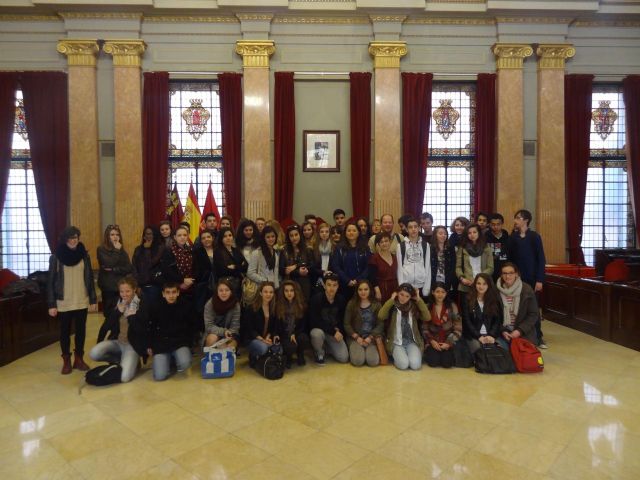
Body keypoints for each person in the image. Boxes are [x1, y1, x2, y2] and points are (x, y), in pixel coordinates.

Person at [47, 226, 98, 374]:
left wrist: (93, 299)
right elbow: (51, 282)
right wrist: (51, 304)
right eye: (71, 237)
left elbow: (89, 278)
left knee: (81, 331)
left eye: (76, 237)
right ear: (65, 239)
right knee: (64, 332)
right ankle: (66, 361)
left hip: (81, 299)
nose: (74, 240)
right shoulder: (56, 257)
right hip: (63, 301)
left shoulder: (84, 255)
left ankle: (79, 359)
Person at [89, 276, 147, 383]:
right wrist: (117, 312)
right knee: (94, 353)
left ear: (134, 289)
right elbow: (106, 326)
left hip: (132, 345)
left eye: (127, 291)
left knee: (124, 378)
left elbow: (143, 330)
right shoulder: (117, 302)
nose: (124, 295)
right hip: (118, 342)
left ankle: (133, 361)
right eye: (122, 291)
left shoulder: (142, 304)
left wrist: (132, 316)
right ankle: (120, 360)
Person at [508, 209, 547, 348]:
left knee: (533, 308)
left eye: (518, 218)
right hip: (517, 279)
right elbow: (510, 258)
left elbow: (541, 258)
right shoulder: (513, 237)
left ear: (526, 220)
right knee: (517, 307)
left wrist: (540, 279)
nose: (516, 220)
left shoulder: (534, 236)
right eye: (515, 218)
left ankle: (538, 336)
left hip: (532, 278)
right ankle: (521, 333)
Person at [146, 283, 193, 381]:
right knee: (160, 376)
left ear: (178, 293)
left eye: (173, 292)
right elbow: (151, 327)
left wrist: (188, 342)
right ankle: (169, 361)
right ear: (163, 294)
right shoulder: (155, 307)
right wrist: (150, 344)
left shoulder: (185, 305)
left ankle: (175, 359)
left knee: (185, 364)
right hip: (161, 344)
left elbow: (191, 326)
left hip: (179, 343)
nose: (171, 295)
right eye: (168, 293)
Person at [379, 283, 429, 370]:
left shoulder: (413, 306)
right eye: (401, 294)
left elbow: (427, 317)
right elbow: (381, 316)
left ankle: (406, 354)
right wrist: (391, 299)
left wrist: (419, 300)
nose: (403, 298)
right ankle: (398, 356)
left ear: (410, 297)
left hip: (411, 342)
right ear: (397, 293)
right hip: (396, 342)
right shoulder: (393, 306)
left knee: (415, 365)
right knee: (403, 365)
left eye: (407, 296)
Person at [97, 224, 133, 342]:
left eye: (117, 235)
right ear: (107, 236)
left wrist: (114, 270)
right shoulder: (101, 249)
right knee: (109, 316)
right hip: (108, 288)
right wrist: (117, 251)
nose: (115, 237)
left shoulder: (121, 250)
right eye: (112, 235)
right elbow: (109, 263)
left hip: (120, 289)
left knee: (119, 316)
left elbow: (128, 267)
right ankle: (101, 341)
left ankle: (113, 339)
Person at [309, 273, 348, 365]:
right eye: (329, 285)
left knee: (344, 358)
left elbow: (343, 319)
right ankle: (319, 352)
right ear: (324, 285)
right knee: (316, 334)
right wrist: (333, 331)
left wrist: (339, 329)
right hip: (321, 330)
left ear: (338, 286)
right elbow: (314, 321)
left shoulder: (341, 300)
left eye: (334, 285)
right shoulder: (316, 299)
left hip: (333, 332)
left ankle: (326, 347)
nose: (332, 288)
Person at [496, 263, 539, 347]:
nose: (507, 276)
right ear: (501, 275)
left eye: (511, 273)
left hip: (524, 332)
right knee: (500, 355)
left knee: (522, 356)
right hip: (503, 332)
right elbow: (494, 315)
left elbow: (533, 314)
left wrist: (519, 331)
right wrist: (503, 330)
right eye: (504, 273)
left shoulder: (527, 290)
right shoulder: (496, 291)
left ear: (516, 274)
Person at [344, 280, 383, 367]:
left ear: (370, 290)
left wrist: (370, 337)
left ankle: (366, 351)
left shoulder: (376, 304)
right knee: (358, 361)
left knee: (373, 361)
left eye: (366, 289)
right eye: (360, 289)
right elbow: (346, 324)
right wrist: (356, 337)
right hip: (355, 338)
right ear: (357, 291)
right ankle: (356, 350)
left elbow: (380, 324)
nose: (363, 292)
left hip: (371, 338)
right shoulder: (351, 304)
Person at [462, 273, 502, 354]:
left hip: (490, 334)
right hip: (473, 335)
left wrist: (491, 335)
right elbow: (467, 322)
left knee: (498, 351)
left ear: (489, 285)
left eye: (484, 284)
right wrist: (478, 336)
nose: (481, 286)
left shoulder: (495, 299)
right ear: (475, 284)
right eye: (478, 283)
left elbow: (497, 321)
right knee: (479, 351)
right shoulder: (467, 299)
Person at [423, 282, 461, 368]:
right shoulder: (427, 307)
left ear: (446, 293)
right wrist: (432, 341)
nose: (440, 294)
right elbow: (424, 328)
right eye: (437, 291)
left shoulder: (452, 306)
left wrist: (448, 342)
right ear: (432, 292)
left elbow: (458, 327)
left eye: (443, 292)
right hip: (433, 341)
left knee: (447, 364)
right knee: (433, 362)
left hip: (448, 340)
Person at [330, 221, 371, 299]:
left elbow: (368, 266)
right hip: (344, 284)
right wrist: (347, 280)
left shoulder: (365, 248)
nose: (351, 233)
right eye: (348, 231)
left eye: (354, 230)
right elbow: (336, 266)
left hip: (361, 285)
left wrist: (358, 280)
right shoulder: (339, 248)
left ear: (358, 233)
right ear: (345, 233)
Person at [455, 224, 494, 306]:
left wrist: (479, 279)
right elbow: (458, 267)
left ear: (479, 233)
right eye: (469, 233)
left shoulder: (486, 248)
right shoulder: (462, 248)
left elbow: (490, 267)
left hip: (483, 285)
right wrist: (462, 279)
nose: (472, 235)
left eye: (474, 232)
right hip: (466, 286)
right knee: (466, 313)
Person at [275, 280, 310, 367]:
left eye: (291, 290)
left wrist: (295, 333)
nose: (289, 293)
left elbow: (303, 326)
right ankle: (288, 356)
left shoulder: (301, 305)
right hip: (285, 334)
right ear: (283, 292)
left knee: (304, 339)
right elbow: (276, 325)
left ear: (295, 292)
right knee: (290, 347)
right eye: (286, 291)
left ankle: (300, 353)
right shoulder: (278, 305)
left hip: (297, 333)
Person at [396, 217, 432, 299]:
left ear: (419, 228)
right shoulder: (400, 246)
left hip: (421, 285)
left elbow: (427, 267)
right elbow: (399, 269)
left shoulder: (425, 245)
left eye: (415, 227)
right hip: (406, 286)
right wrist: (401, 287)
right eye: (410, 227)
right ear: (406, 229)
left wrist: (426, 288)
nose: (413, 229)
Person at [246, 281, 279, 367]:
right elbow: (249, 329)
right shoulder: (252, 307)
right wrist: (262, 340)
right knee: (263, 348)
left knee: (279, 349)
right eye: (265, 292)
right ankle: (253, 355)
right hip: (253, 338)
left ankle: (262, 358)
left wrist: (268, 337)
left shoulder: (274, 308)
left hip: (266, 338)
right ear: (260, 293)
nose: (268, 294)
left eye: (271, 292)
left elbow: (273, 327)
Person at [280, 224, 316, 301]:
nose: (294, 238)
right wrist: (297, 272)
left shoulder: (307, 249)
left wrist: (296, 266)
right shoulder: (284, 250)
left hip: (304, 283)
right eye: (291, 236)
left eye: (296, 235)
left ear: (300, 234)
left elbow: (312, 266)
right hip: (289, 284)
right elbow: (282, 270)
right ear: (288, 237)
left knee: (304, 306)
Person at [203, 278, 241, 350]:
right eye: (221, 290)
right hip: (213, 333)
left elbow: (235, 327)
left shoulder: (236, 304)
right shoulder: (209, 304)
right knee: (212, 339)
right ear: (217, 292)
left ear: (231, 292)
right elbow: (209, 326)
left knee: (227, 346)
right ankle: (210, 359)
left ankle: (228, 359)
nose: (224, 293)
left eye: (227, 290)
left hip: (230, 334)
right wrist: (224, 332)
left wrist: (228, 334)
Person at [131, 225, 164, 306]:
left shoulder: (160, 248)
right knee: (142, 310)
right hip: (140, 285)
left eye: (151, 234)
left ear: (155, 235)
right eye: (146, 234)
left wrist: (147, 249)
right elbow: (134, 267)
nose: (148, 236)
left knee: (153, 310)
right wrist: (137, 284)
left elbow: (150, 264)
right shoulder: (138, 249)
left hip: (154, 285)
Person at [213, 226, 247, 297]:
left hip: (238, 286)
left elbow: (246, 266)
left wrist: (234, 266)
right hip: (225, 286)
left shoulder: (236, 250)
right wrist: (239, 267)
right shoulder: (218, 251)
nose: (228, 238)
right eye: (225, 236)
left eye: (230, 235)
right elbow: (222, 271)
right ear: (221, 238)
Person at [192, 229, 215, 327]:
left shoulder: (219, 250)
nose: (206, 239)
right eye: (203, 238)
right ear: (200, 240)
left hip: (218, 285)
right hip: (203, 286)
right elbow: (195, 270)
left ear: (212, 238)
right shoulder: (197, 252)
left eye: (208, 237)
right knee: (202, 309)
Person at [368, 231, 398, 304]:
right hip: (381, 289)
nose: (384, 243)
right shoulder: (374, 258)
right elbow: (372, 277)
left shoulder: (395, 257)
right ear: (378, 244)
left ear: (390, 242)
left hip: (394, 289)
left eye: (386, 241)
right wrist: (377, 291)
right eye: (381, 242)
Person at [486, 213, 511, 283]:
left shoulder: (508, 238)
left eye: (498, 224)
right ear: (489, 224)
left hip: (505, 272)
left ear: (502, 224)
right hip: (490, 272)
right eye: (493, 224)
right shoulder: (485, 238)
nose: (496, 227)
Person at [430, 225, 456, 292]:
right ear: (435, 235)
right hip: (433, 279)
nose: (443, 235)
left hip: (447, 279)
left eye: (445, 234)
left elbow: (453, 266)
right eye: (440, 233)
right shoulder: (430, 248)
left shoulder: (451, 249)